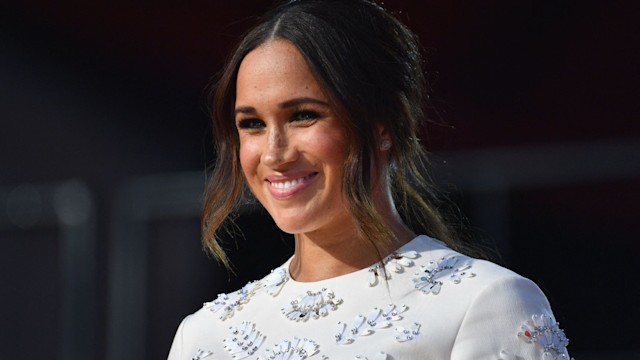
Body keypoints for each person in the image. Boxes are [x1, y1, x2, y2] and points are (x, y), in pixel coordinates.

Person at [168, 1, 571, 359]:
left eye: (303, 115)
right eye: (252, 124)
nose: (274, 153)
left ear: (384, 125)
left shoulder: (482, 304)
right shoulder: (205, 336)